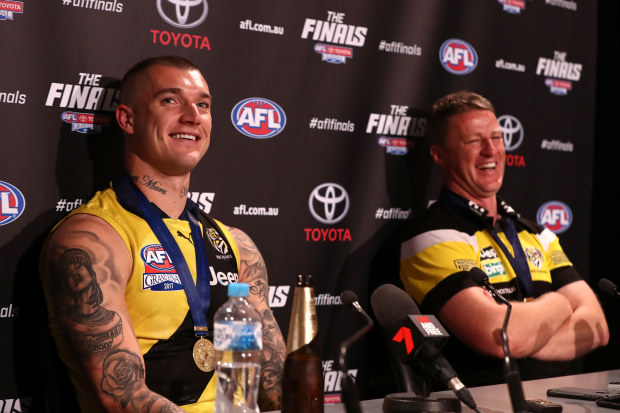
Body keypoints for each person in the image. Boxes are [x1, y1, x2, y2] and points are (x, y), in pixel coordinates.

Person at [40, 55, 286, 412]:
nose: (193, 115)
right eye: (170, 100)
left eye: (203, 104)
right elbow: (121, 396)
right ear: (127, 118)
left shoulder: (236, 244)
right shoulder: (92, 239)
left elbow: (269, 374)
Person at [399, 90, 609, 386]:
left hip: (564, 400)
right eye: (474, 140)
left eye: (496, 138)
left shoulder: (536, 232)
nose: (490, 150)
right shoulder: (432, 235)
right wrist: (560, 305)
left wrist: (524, 339)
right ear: (439, 155)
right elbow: (499, 337)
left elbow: (596, 327)